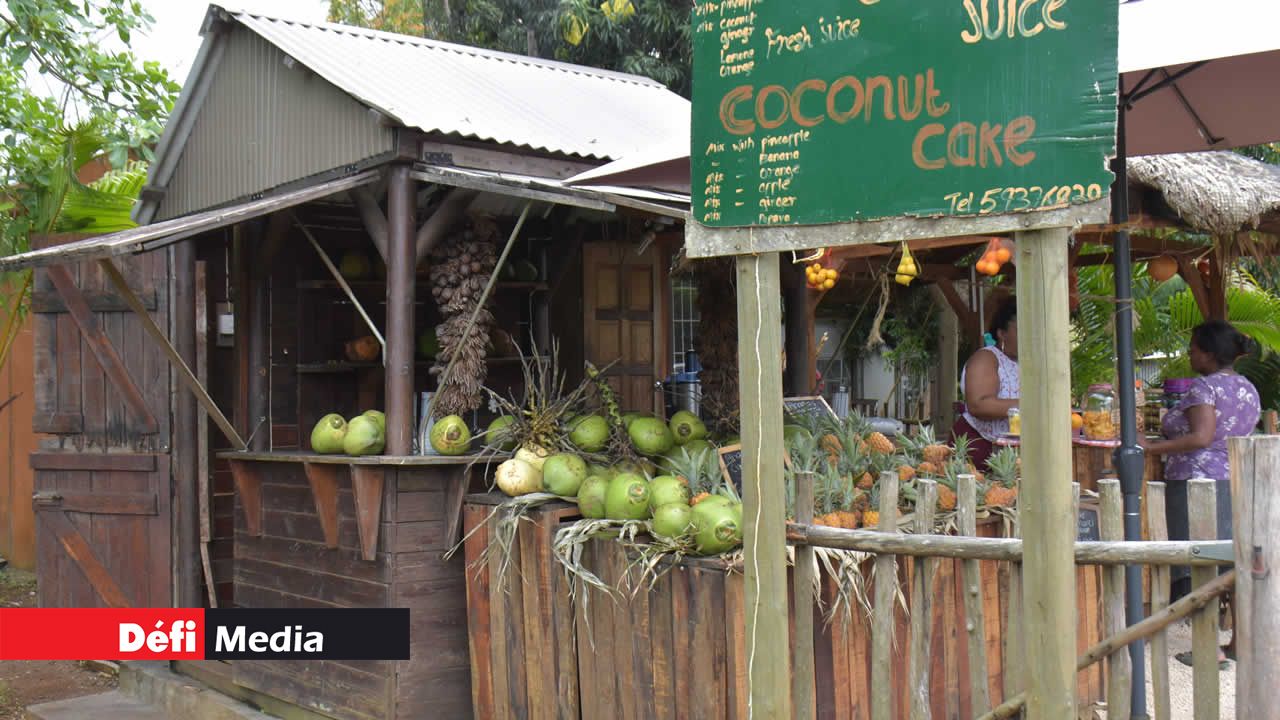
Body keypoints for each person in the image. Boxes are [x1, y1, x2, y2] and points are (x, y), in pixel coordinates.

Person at [1142, 320, 1261, 668]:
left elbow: (1200, 438)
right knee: (1230, 563)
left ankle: (1209, 646)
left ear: (1208, 353)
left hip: (1197, 485)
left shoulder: (1203, 389)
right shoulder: (1247, 388)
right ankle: (1240, 642)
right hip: (1235, 481)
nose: (1189, 352)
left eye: (1193, 347)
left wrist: (1150, 447)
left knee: (1201, 564)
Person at [952, 300, 1019, 470]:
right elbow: (979, 404)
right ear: (1001, 333)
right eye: (1020, 329)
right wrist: (1032, 406)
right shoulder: (987, 358)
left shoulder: (1030, 362)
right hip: (978, 447)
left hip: (1012, 456)